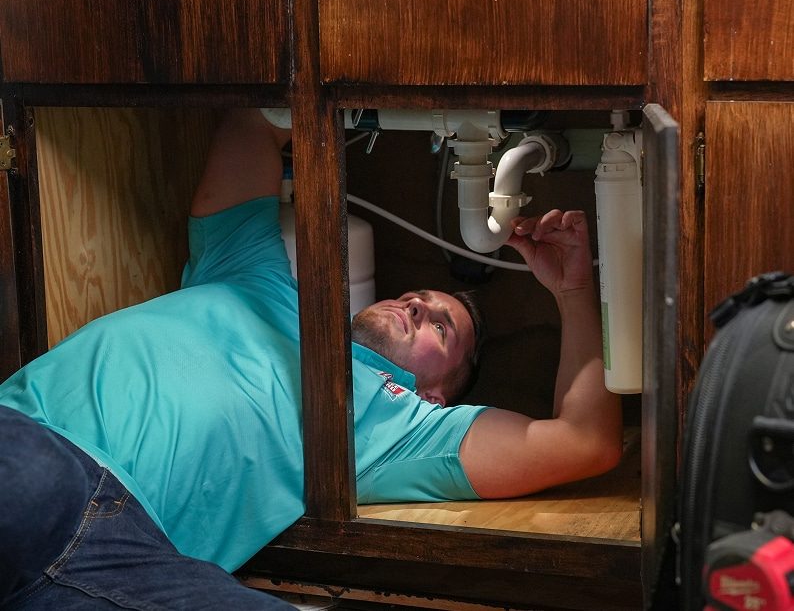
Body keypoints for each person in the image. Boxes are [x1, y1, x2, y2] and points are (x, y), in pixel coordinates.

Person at [0, 109, 623, 610]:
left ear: (437, 392)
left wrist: (572, 291)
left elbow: (583, 440)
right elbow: (252, 122)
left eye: (441, 327)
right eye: (415, 296)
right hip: (39, 442)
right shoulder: (256, 277)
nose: (417, 306)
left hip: (123, 550)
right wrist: (368, 100)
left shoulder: (396, 428)